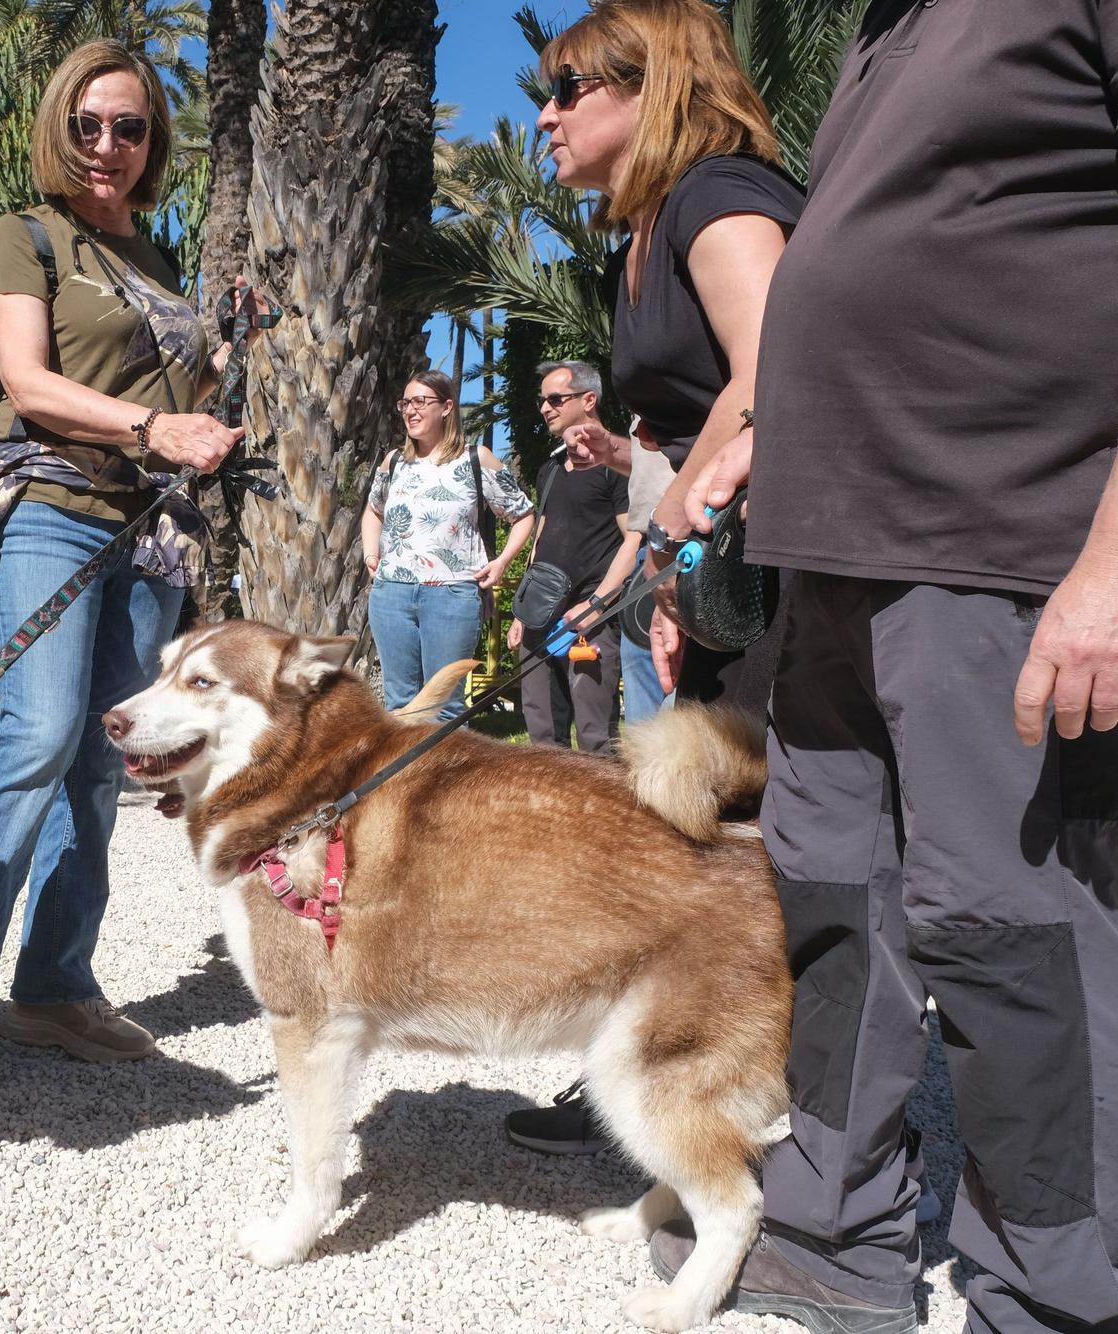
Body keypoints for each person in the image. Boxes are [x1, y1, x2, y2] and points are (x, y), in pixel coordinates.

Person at [647, 7, 1118, 1332]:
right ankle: (828, 1222)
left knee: (1011, 926)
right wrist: (770, 433)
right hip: (839, 548)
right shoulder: (889, 28)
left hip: (1006, 533)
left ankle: (1065, 1291)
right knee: (828, 902)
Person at [0, 40, 258, 1098]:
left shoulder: (154, 260)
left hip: (144, 528)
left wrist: (215, 360)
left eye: (130, 127)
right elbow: (28, 380)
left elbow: (173, 389)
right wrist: (157, 423)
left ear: (154, 143)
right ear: (61, 128)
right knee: (38, 734)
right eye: (89, 124)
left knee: (106, 754)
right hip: (50, 506)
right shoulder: (26, 236)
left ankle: (54, 982)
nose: (107, 145)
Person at [505, 0, 801, 1154]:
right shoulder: (635, 231)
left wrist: (678, 524)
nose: (543, 115)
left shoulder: (716, 195)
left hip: (779, 564)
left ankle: (782, 1102)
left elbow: (775, 361)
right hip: (721, 560)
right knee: (697, 831)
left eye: (569, 89)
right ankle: (668, 1066)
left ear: (655, 86)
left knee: (768, 836)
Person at [360, 368, 534, 717]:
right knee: (400, 704)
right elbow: (373, 511)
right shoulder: (395, 462)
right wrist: (370, 552)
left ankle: (447, 774)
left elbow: (523, 515)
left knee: (445, 706)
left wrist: (501, 563)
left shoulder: (475, 459)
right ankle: (407, 775)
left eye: (420, 401)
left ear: (446, 407)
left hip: (453, 595)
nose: (410, 410)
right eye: (405, 403)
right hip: (392, 594)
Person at [507, 361, 636, 753]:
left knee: (596, 736)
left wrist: (597, 605)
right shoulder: (550, 467)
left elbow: (634, 538)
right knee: (543, 737)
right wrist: (519, 612)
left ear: (589, 400)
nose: (546, 408)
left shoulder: (616, 466)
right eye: (542, 401)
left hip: (589, 617)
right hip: (539, 613)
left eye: (555, 399)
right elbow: (541, 537)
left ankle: (600, 815)